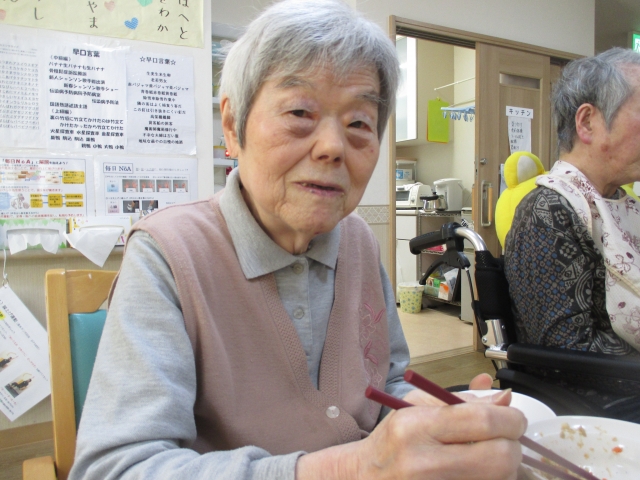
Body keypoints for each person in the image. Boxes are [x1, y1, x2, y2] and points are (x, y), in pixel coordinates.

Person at [70, 2, 525, 479]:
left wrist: (432, 420)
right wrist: (355, 466)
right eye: (299, 112)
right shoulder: (167, 253)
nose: (332, 147)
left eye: (359, 123)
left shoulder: (358, 241)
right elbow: (115, 469)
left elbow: (386, 381)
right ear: (233, 126)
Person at [504, 48, 640, 419]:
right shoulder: (547, 211)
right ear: (588, 122)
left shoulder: (623, 204)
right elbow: (565, 349)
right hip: (599, 405)